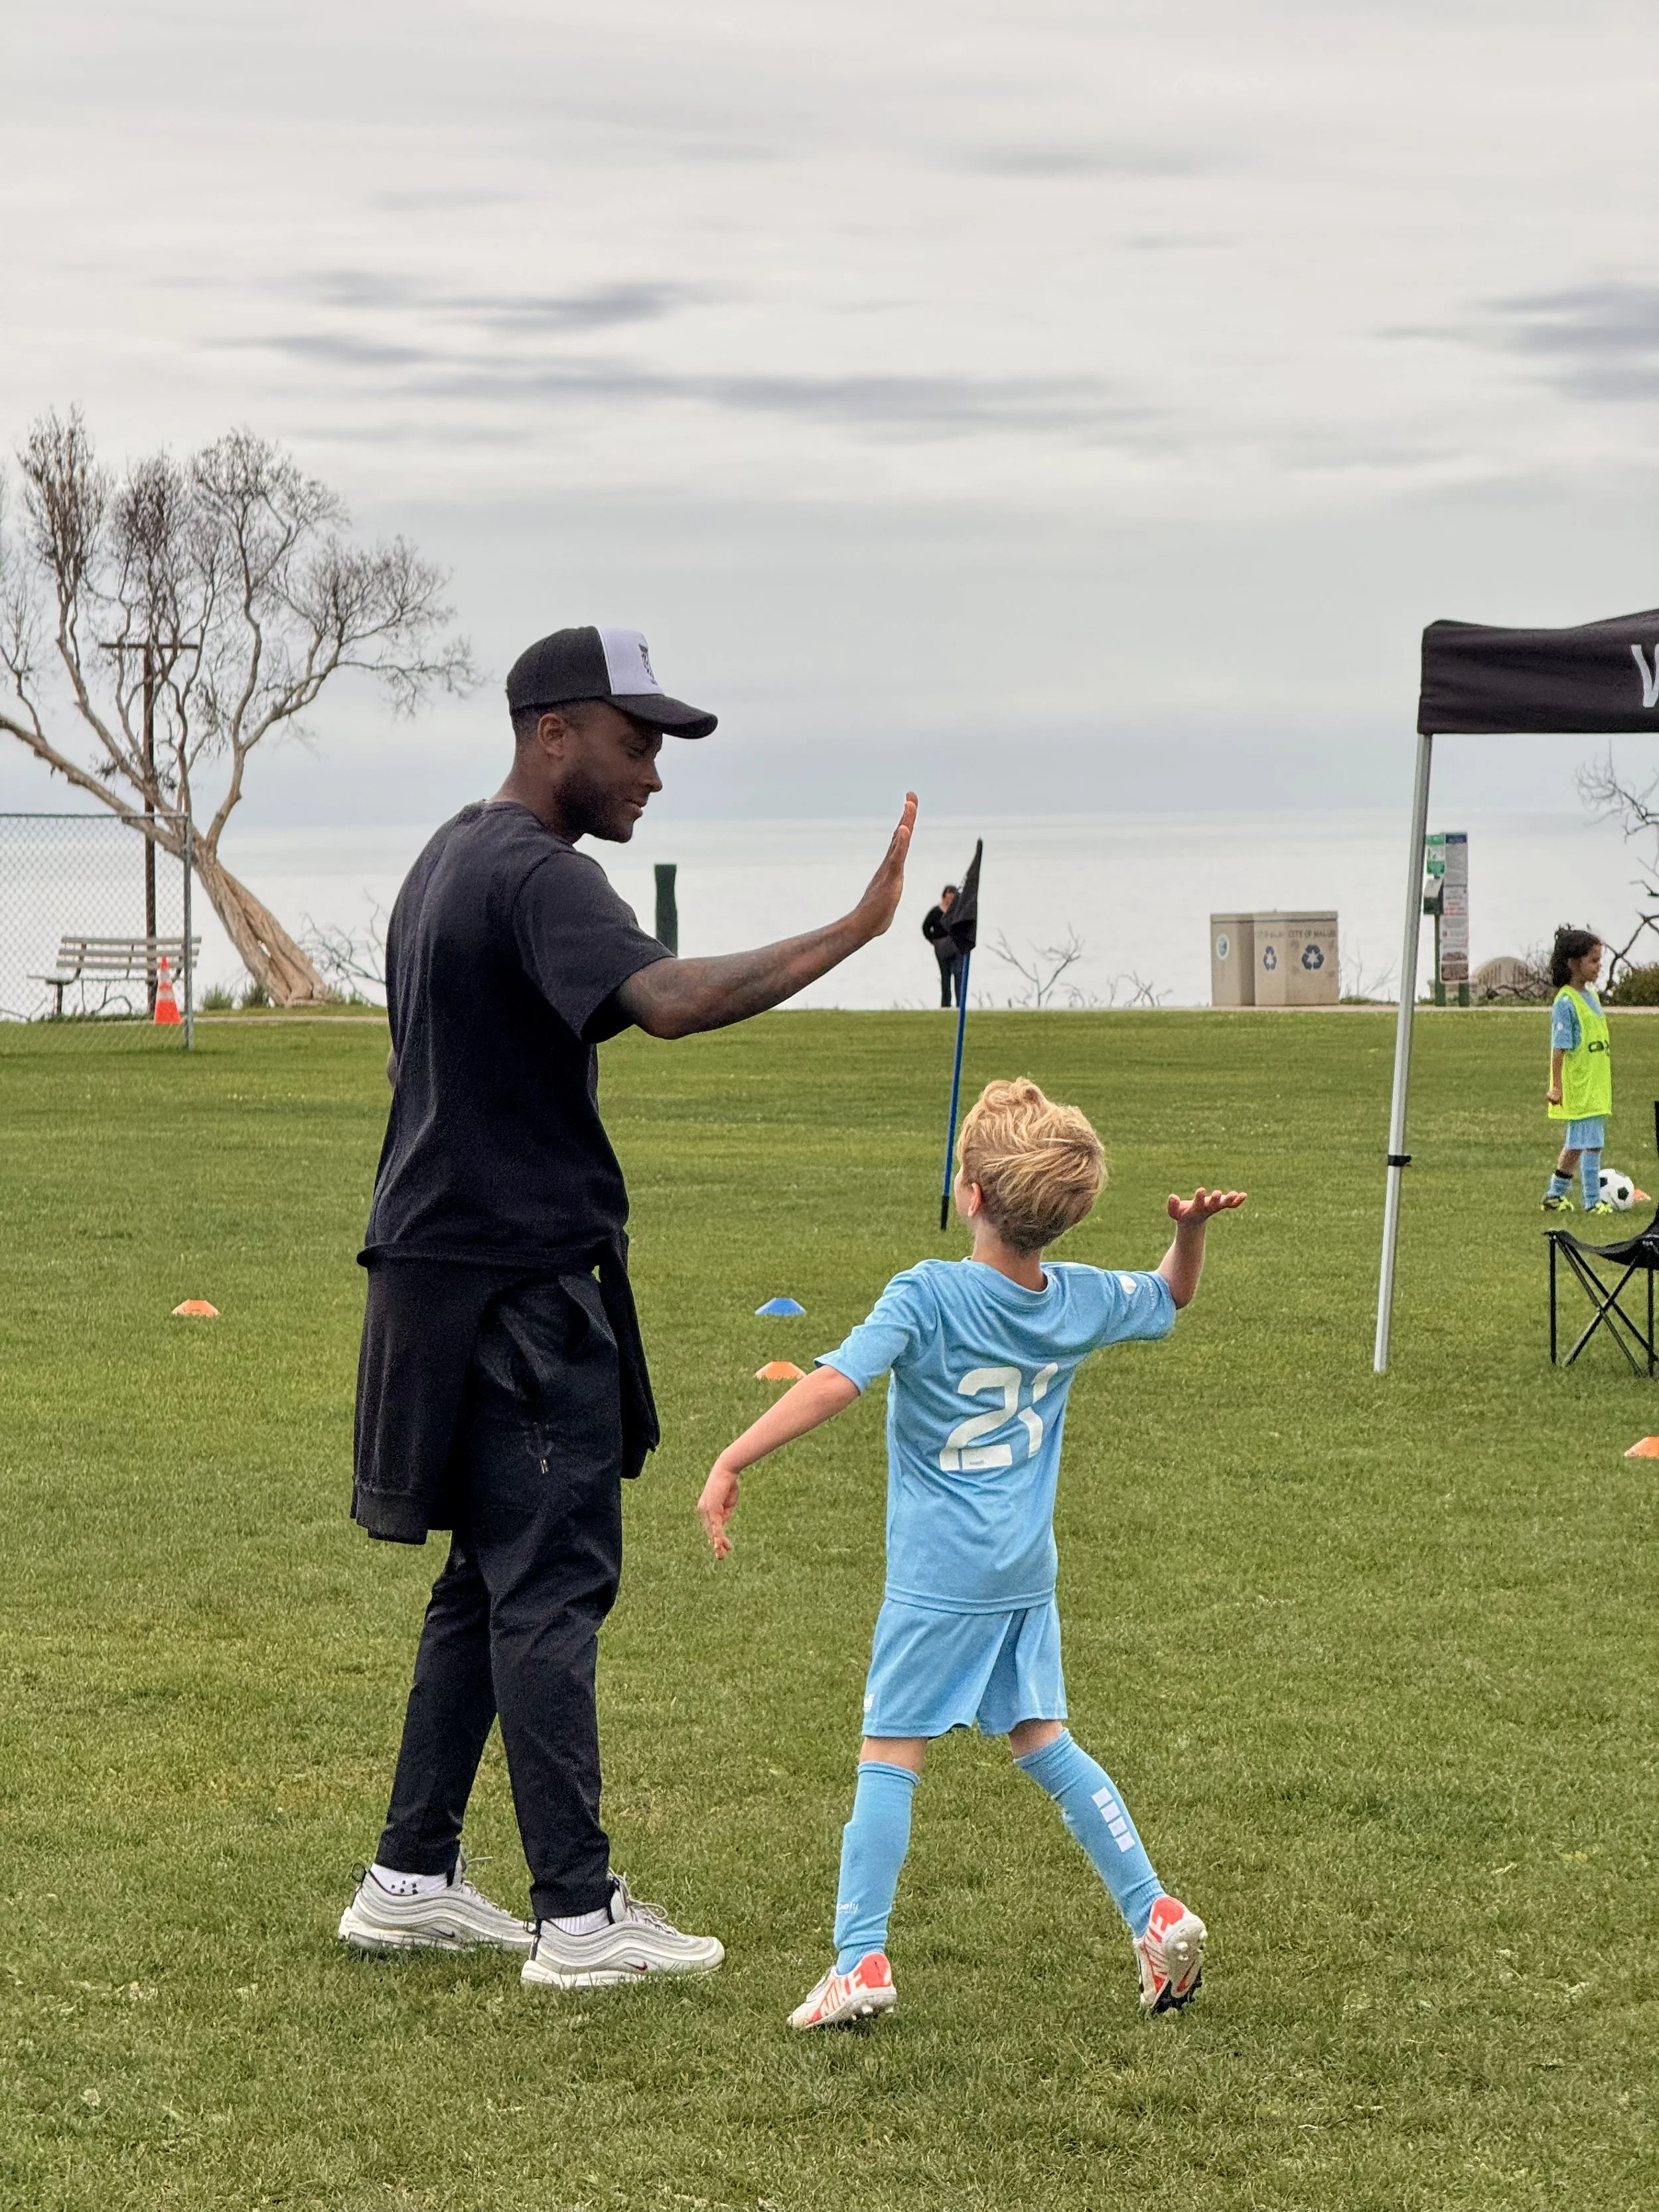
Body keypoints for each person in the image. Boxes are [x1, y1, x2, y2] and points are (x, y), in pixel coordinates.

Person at [337, 623, 916, 1993]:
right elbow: (669, 998)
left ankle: (408, 1876)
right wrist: (857, 926)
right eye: (634, 737)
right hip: (518, 1294)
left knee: (484, 1577)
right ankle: (579, 1918)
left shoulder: (445, 856)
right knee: (545, 1584)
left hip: (438, 1278)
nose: (652, 769)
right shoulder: (536, 874)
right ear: (553, 731)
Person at [696, 1077, 1246, 2028]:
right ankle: (1155, 1912)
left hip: (940, 1575)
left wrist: (734, 1454)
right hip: (1024, 1571)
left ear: (972, 1197)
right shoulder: (1078, 1298)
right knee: (1042, 1737)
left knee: (889, 1750)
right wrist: (1189, 1228)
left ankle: (859, 1961)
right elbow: (1171, 1293)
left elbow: (835, 1382)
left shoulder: (928, 1292)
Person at [1542, 926, 1613, 1216]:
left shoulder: (1592, 997)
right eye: (1593, 961)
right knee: (1591, 1145)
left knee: (1577, 1144)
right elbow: (1559, 1049)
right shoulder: (1566, 1002)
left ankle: (1554, 1196)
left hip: (1596, 1084)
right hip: (1580, 1086)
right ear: (1574, 964)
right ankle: (1592, 1201)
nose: (1598, 967)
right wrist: (1557, 1086)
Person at [921, 884, 962, 1007]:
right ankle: (946, 1004)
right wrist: (933, 940)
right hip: (942, 947)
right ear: (944, 897)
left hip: (957, 947)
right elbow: (926, 927)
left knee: (959, 974)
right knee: (946, 975)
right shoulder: (936, 912)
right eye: (948, 898)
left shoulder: (959, 912)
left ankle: (960, 1004)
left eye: (953, 899)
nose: (950, 901)